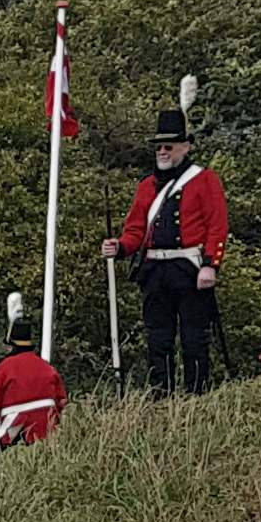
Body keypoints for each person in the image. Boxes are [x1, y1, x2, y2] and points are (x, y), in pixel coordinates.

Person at [100, 94, 230, 397]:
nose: (162, 151)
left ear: (185, 147)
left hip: (189, 268)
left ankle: (197, 394)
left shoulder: (205, 180)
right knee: (158, 339)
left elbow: (217, 225)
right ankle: (161, 395)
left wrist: (211, 264)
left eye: (168, 146)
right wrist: (120, 247)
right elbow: (136, 230)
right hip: (155, 271)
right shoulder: (147, 186)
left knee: (194, 338)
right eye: (159, 147)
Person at [0, 311, 66, 449]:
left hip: (17, 434)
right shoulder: (47, 367)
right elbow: (62, 401)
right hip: (49, 434)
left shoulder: (4, 368)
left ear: (11, 346)